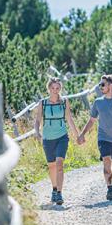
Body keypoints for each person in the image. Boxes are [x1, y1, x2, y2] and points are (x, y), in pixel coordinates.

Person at [78, 74, 112, 200]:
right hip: (103, 138)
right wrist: (82, 134)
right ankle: (110, 188)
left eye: (103, 84)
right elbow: (91, 121)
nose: (100, 87)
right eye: (100, 84)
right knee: (106, 161)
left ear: (111, 85)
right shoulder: (98, 102)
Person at [34, 77, 78, 205]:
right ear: (48, 88)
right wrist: (37, 132)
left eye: (57, 88)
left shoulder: (64, 102)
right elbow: (37, 120)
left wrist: (78, 136)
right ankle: (54, 189)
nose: (55, 90)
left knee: (59, 164)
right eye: (53, 88)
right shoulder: (43, 103)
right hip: (47, 138)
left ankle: (59, 193)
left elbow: (69, 119)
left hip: (62, 137)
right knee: (51, 165)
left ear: (60, 89)